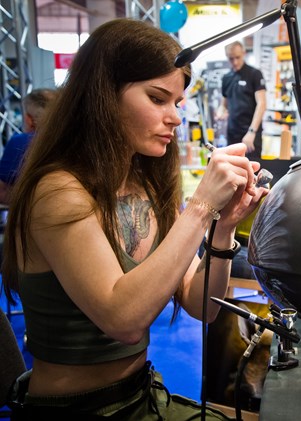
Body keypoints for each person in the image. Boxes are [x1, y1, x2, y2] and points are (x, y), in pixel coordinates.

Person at [2, 18, 267, 420]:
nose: (175, 118)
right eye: (158, 99)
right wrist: (200, 208)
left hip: (140, 394)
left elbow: (202, 304)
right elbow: (123, 320)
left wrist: (224, 225)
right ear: (103, 95)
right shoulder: (57, 190)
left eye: (177, 103)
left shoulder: (146, 185)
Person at [0, 88, 58, 205]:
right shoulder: (73, 143)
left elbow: (2, 191)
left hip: (31, 211)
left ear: (29, 119)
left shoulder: (19, 142)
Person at [216, 41, 266, 160]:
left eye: (237, 57)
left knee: (252, 168)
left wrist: (251, 132)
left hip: (250, 134)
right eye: (231, 58)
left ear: (244, 53)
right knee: (232, 168)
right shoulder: (226, 78)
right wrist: (220, 111)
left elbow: (262, 104)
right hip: (232, 134)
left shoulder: (255, 74)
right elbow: (224, 104)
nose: (235, 62)